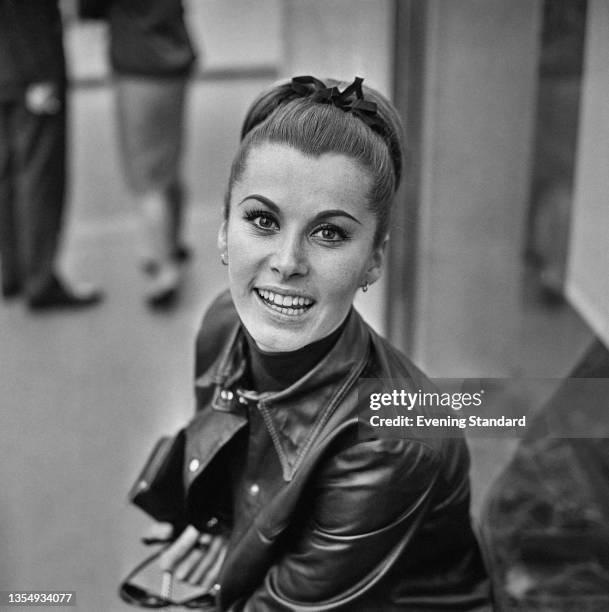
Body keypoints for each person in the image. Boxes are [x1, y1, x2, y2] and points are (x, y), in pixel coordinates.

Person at [143, 76, 491, 610]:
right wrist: (228, 525)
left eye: (329, 233)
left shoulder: (395, 439)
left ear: (374, 259)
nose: (286, 262)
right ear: (222, 232)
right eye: (262, 220)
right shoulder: (221, 324)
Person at [79, 0, 196, 308]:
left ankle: (164, 270)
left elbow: (88, 8)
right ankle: (173, 243)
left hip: (139, 67)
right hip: (174, 58)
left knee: (146, 178)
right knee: (168, 163)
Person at [0, 0, 102, 310]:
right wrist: (40, 74)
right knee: (39, 175)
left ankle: (13, 270)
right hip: (29, 69)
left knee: (7, 174)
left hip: (7, 68)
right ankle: (39, 278)